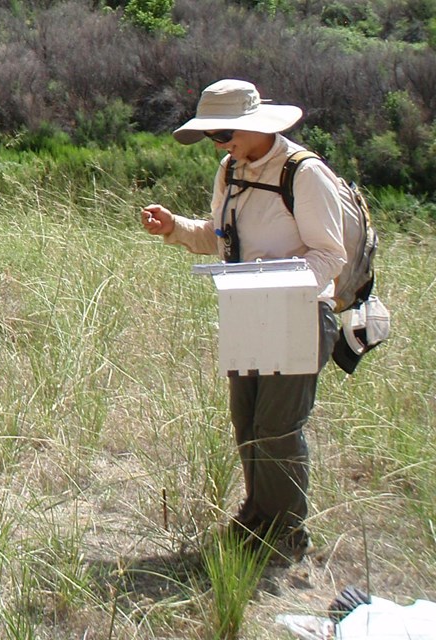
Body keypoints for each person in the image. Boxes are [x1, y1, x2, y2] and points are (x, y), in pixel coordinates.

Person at [141, 79, 346, 560]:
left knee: (278, 426)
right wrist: (176, 228)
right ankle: (257, 518)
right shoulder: (229, 170)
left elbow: (330, 255)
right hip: (247, 310)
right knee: (248, 421)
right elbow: (221, 237)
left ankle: (286, 535)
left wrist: (280, 288)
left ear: (253, 125)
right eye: (213, 136)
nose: (219, 144)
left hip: (298, 313)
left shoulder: (304, 173)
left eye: (223, 134)